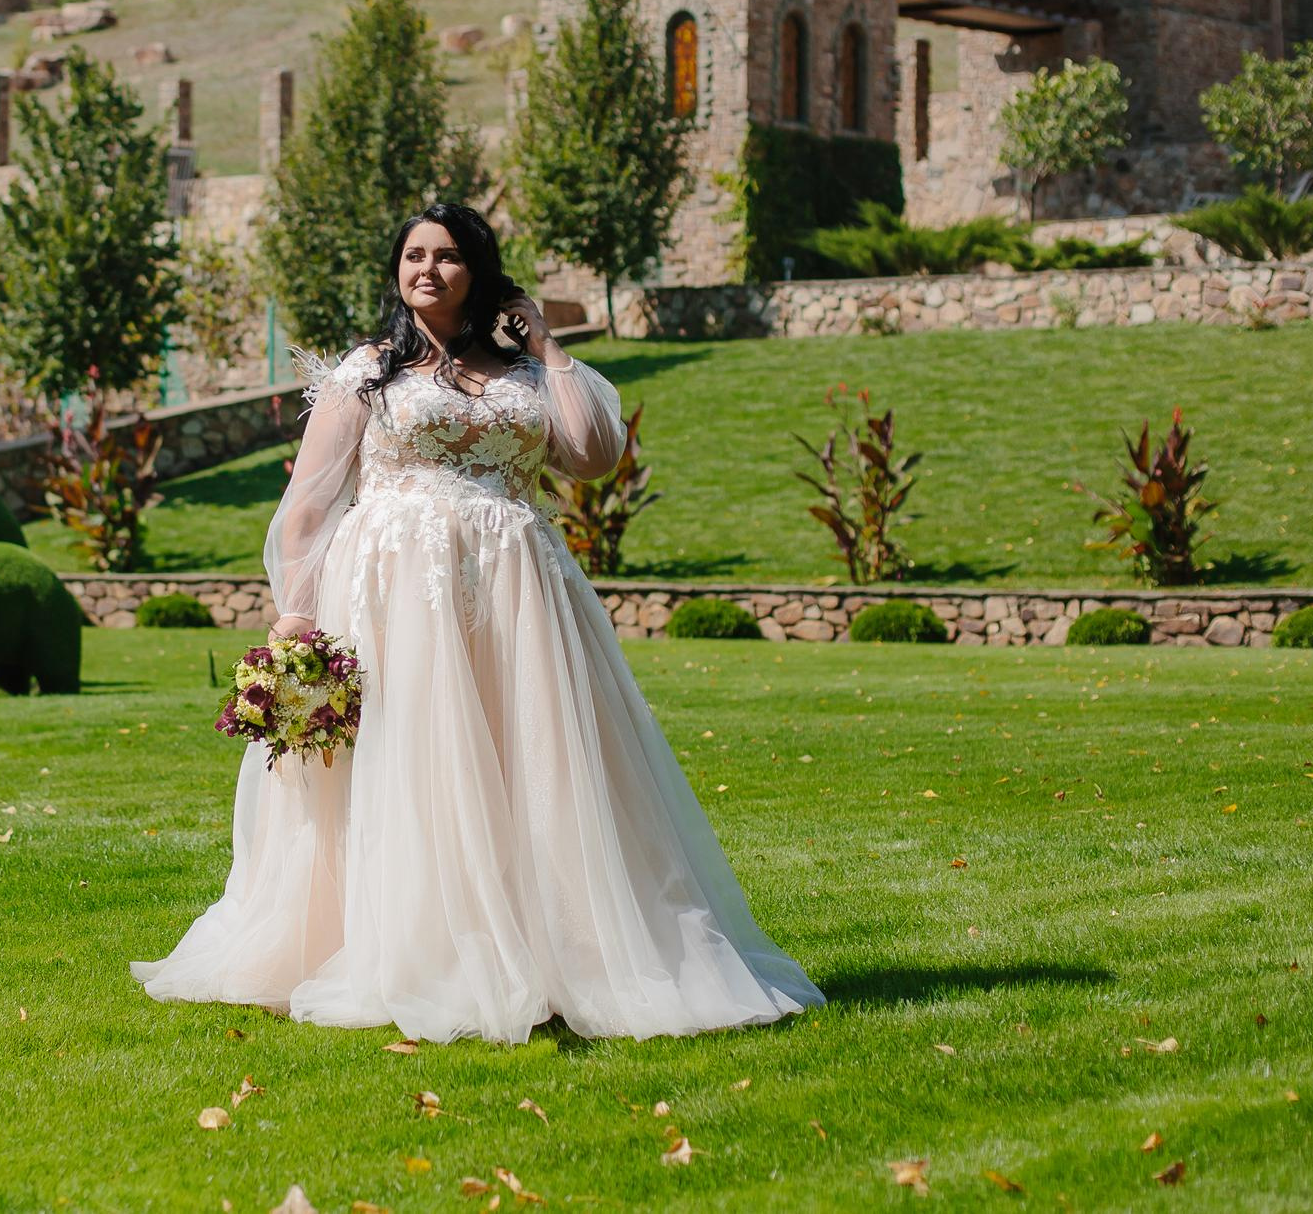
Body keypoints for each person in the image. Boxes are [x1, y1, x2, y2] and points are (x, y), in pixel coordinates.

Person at [130, 202, 823, 1044]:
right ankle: (409, 947)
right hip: (392, 595)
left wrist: (547, 347)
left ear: (479, 270)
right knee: (413, 762)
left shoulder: (528, 375)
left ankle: (554, 948)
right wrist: (296, 619)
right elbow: (308, 507)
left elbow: (595, 454)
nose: (427, 269)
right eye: (413, 254)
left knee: (531, 761)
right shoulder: (367, 373)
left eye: (448, 255)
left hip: (518, 593)